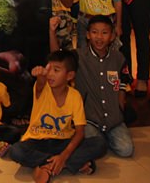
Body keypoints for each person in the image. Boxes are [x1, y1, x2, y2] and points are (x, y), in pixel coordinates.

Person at [9, 50, 107, 183]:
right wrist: (40, 75)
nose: (50, 74)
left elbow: (79, 133)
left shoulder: (75, 96)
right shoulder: (42, 88)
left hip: (63, 141)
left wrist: (63, 157)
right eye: (49, 69)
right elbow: (41, 83)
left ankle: (49, 165)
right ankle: (68, 164)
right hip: (37, 141)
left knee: (100, 143)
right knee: (16, 151)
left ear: (69, 75)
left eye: (56, 70)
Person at [50, 15, 134, 158]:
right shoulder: (79, 56)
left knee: (126, 150)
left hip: (114, 120)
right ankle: (98, 138)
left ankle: (106, 137)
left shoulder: (118, 58)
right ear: (88, 35)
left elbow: (122, 86)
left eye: (104, 33)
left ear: (112, 36)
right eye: (94, 32)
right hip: (89, 119)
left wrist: (120, 110)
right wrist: (52, 32)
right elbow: (57, 58)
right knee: (96, 146)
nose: (99, 37)